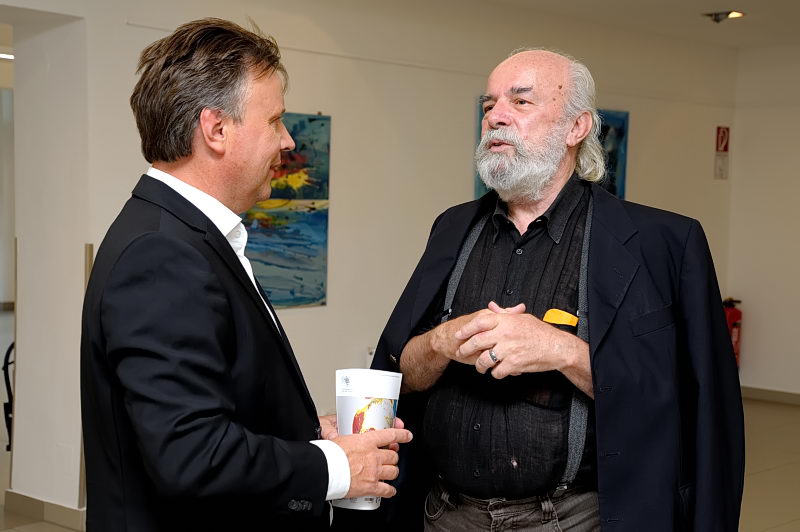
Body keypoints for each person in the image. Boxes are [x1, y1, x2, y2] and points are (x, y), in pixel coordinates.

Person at [370, 49, 744, 531]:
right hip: (444, 514)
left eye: (520, 102)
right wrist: (441, 342)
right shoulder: (452, 228)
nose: (496, 117)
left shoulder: (664, 243)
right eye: (489, 105)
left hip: (575, 519)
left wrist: (563, 351)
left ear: (577, 128)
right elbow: (398, 372)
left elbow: (690, 403)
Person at [80, 18, 411, 531]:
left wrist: (305, 433)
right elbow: (191, 455)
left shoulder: (182, 235)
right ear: (216, 130)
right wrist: (337, 466)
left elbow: (213, 405)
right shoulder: (161, 254)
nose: (287, 140)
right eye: (275, 120)